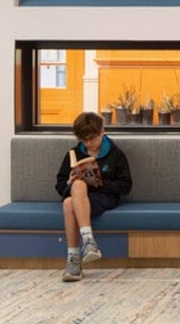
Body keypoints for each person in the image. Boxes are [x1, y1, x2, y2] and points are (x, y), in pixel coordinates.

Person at [54, 112, 132, 283]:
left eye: (92, 138)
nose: (88, 143)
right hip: (77, 197)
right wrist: (68, 182)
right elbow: (59, 185)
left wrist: (99, 182)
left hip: (104, 197)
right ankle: (88, 242)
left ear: (102, 132)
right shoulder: (73, 154)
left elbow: (126, 186)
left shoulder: (115, 154)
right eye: (84, 140)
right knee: (71, 197)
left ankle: (74, 260)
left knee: (71, 201)